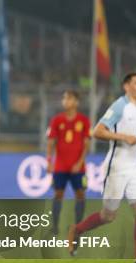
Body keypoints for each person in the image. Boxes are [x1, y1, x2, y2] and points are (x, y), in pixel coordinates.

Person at [67, 72, 136, 263]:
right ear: (126, 86)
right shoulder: (120, 106)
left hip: (135, 166)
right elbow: (97, 131)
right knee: (108, 216)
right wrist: (122, 137)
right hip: (116, 166)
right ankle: (77, 230)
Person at [46, 90, 90, 234]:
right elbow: (51, 142)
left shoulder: (84, 121)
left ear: (76, 102)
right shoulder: (57, 120)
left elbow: (86, 144)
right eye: (64, 98)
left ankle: (78, 226)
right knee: (58, 194)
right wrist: (49, 161)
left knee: (80, 194)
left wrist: (80, 162)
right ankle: (55, 226)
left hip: (79, 167)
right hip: (60, 166)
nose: (65, 101)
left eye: (69, 98)